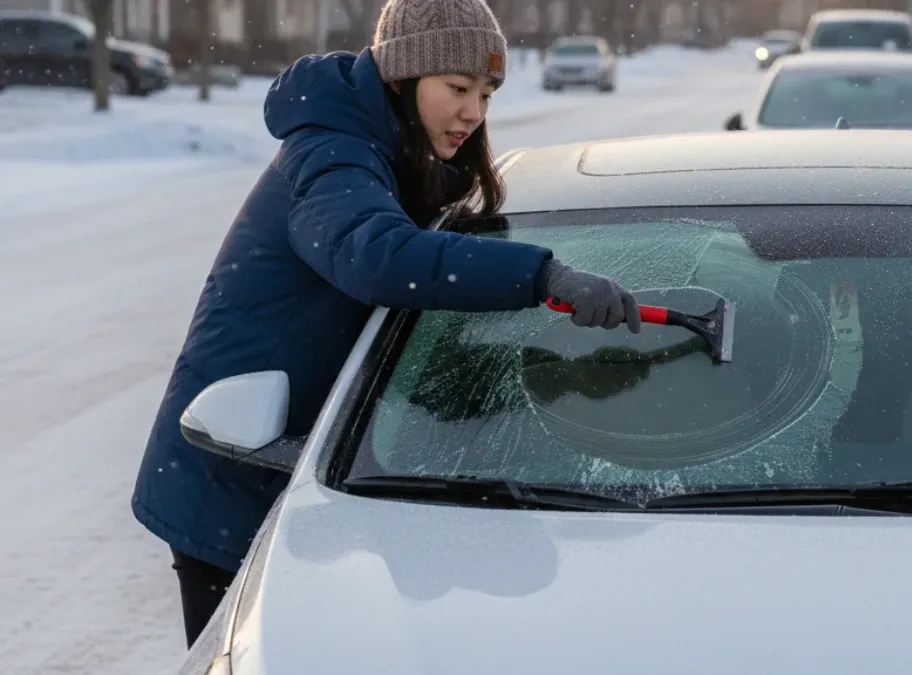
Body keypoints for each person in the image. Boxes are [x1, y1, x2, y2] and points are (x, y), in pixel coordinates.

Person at [130, 0, 642, 648]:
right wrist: (542, 276)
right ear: (401, 77)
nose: (474, 113)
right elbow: (377, 257)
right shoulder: (330, 153)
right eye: (458, 89)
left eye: (486, 93)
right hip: (232, 468)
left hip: (312, 478)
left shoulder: (399, 156)